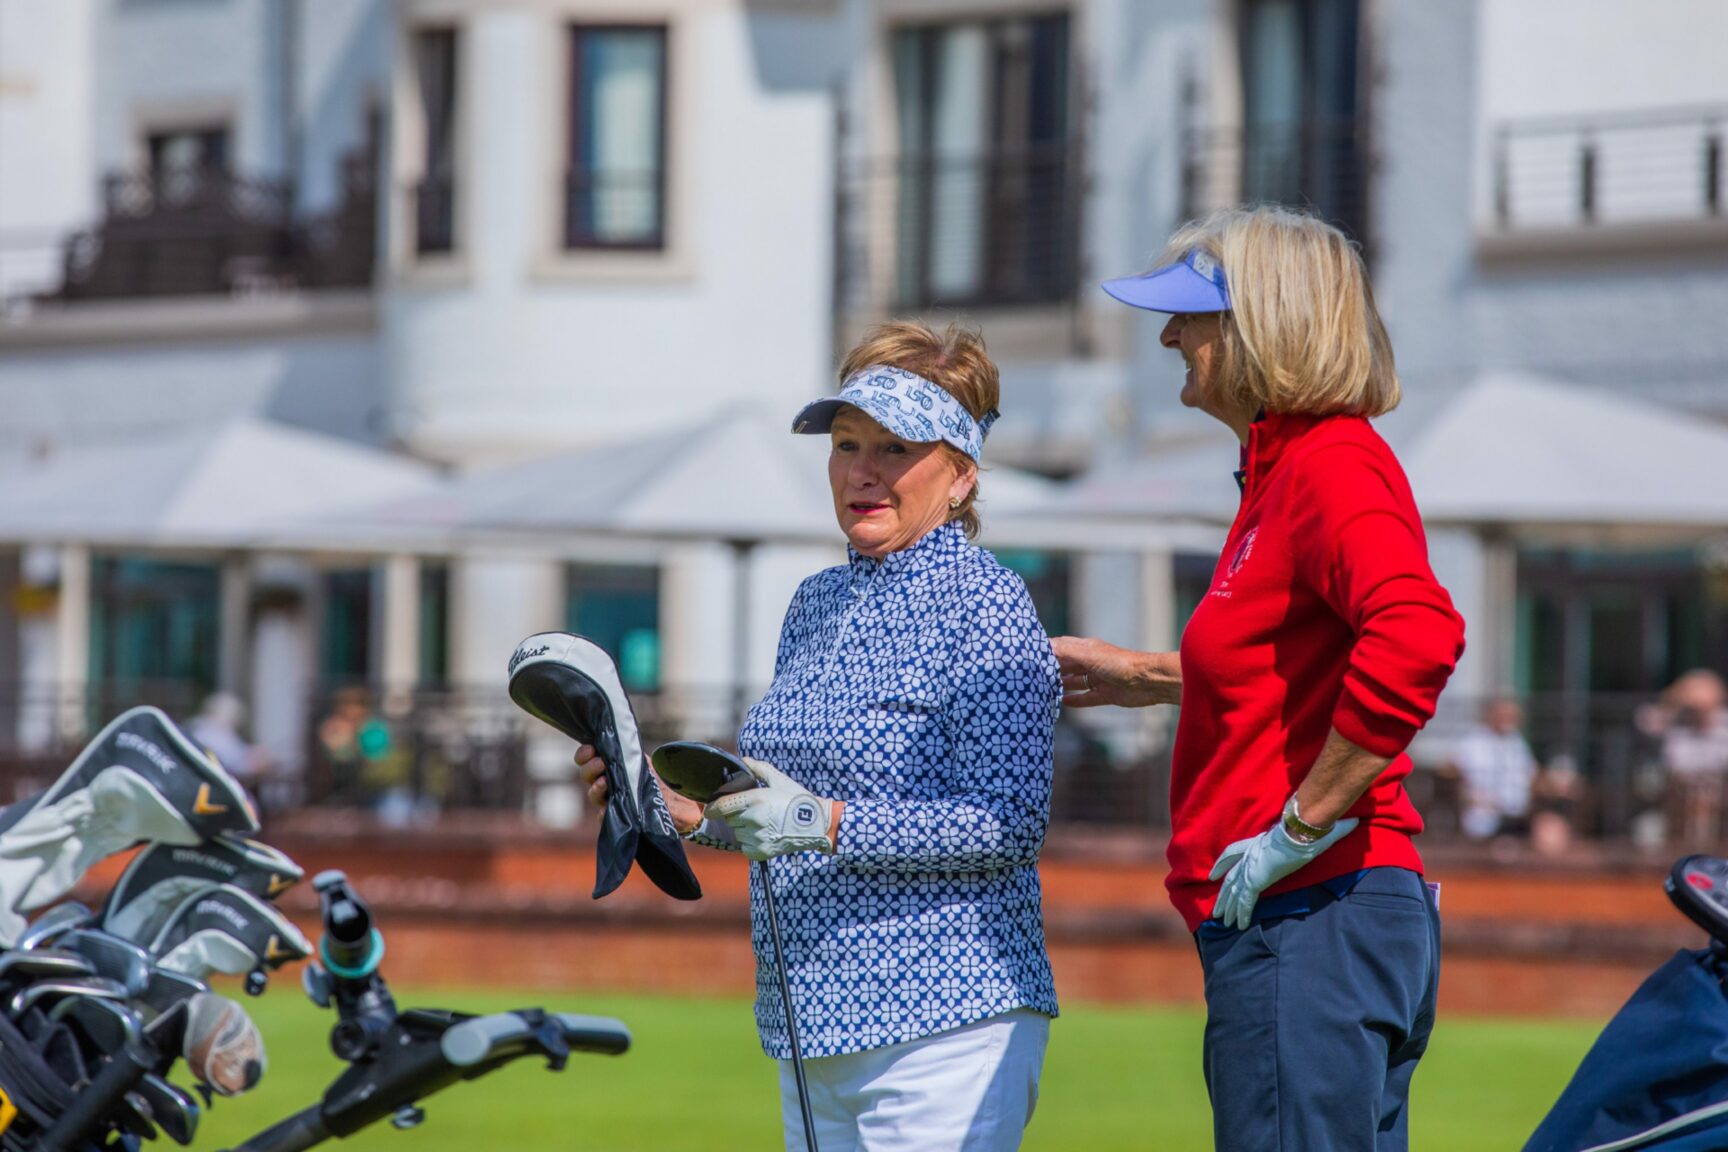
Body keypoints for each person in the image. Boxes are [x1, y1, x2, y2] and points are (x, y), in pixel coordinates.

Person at [577, 322, 1062, 1151]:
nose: (862, 471)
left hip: (944, 1022)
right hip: (809, 1023)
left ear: (961, 476)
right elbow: (784, 811)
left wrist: (824, 824)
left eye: (895, 447)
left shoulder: (988, 604)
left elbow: (1007, 823)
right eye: (846, 445)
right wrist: (690, 817)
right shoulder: (815, 602)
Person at [1054, 206, 1465, 1152]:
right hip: (1317, 920)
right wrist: (1150, 675)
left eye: (1189, 317)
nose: (1169, 338)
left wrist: (1298, 826)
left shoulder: (1329, 465)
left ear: (1261, 324)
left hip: (1313, 916)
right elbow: (1293, 664)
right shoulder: (1283, 469)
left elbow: (1418, 634)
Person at [1637, 669, 1728, 846]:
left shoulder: (1724, 725)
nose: (1700, 710)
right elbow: (1645, 720)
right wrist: (1674, 701)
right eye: (1694, 704)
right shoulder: (1675, 722)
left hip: (1718, 795)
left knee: (1708, 791)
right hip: (1678, 793)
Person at [1448, 698, 1538, 840]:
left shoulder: (1516, 742)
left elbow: (1531, 773)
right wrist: (1471, 794)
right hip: (1485, 815)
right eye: (1505, 716)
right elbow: (1451, 769)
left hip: (1517, 814)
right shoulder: (1473, 741)